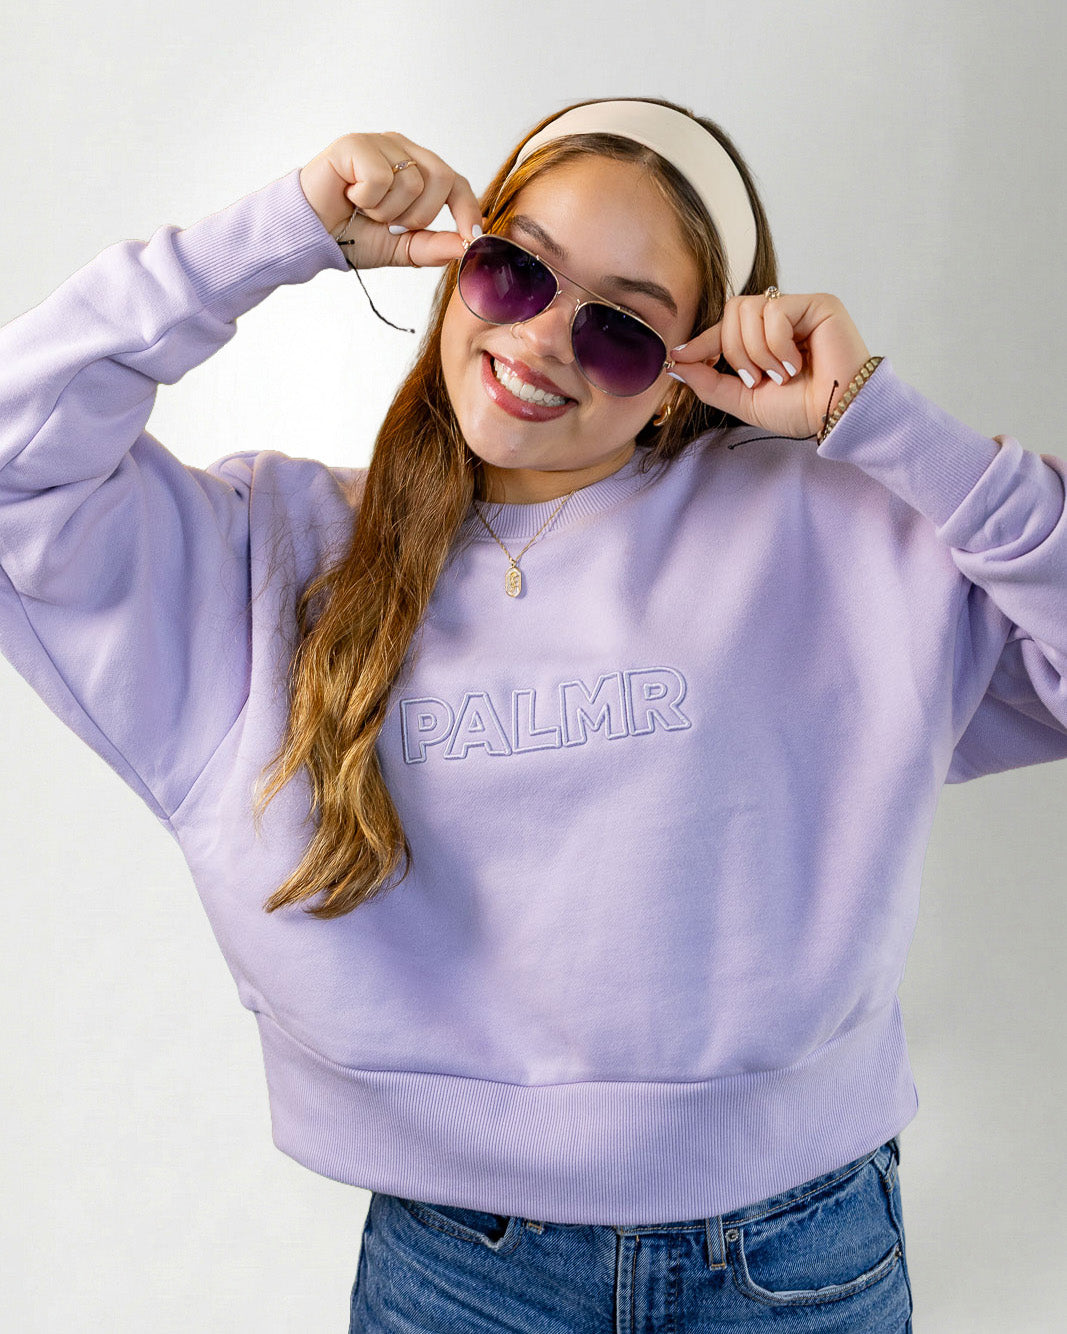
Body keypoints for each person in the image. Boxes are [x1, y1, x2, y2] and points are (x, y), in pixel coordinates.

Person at [1, 94, 1064, 1333]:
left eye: (620, 328)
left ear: (677, 383)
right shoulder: (274, 554)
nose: (546, 336)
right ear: (460, 265)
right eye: (515, 270)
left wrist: (873, 418)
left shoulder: (837, 532)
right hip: (462, 1268)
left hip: (795, 1252)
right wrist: (279, 233)